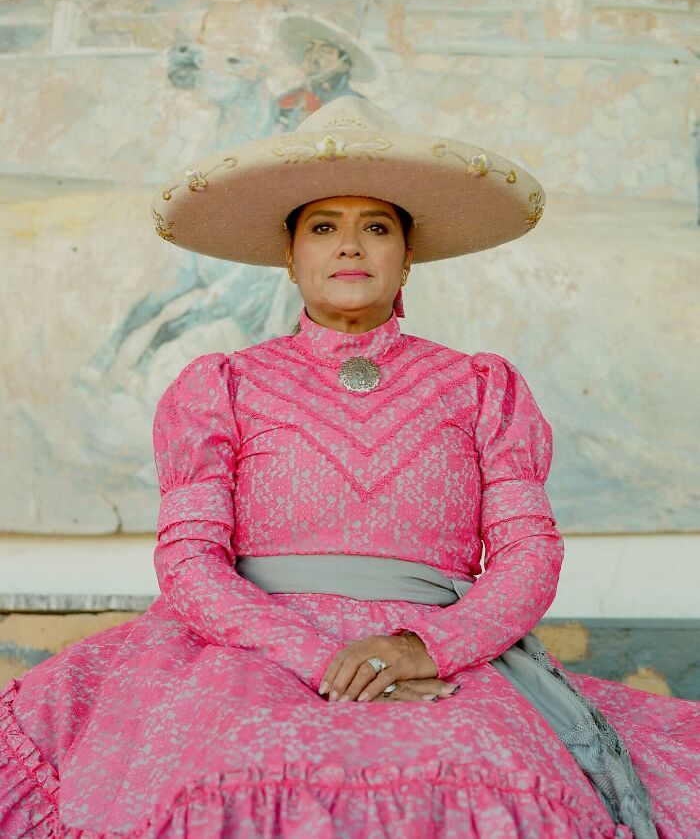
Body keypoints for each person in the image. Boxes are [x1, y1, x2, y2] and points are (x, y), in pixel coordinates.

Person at [1, 96, 697, 838]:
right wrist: (320, 656)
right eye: (324, 227)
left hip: (436, 652)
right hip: (250, 647)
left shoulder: (480, 386)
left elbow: (530, 552)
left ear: (406, 255)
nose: (350, 246)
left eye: (376, 227)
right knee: (228, 772)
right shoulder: (223, 385)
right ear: (291, 255)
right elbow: (188, 561)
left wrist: (424, 649)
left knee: (484, 775)